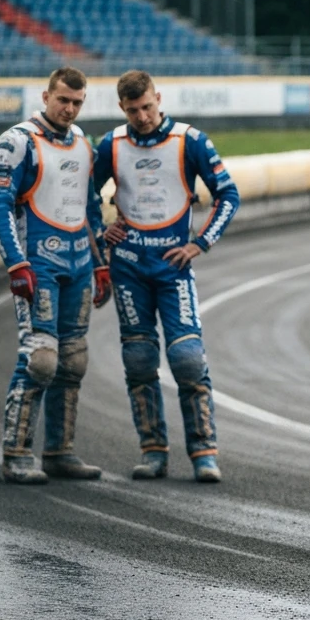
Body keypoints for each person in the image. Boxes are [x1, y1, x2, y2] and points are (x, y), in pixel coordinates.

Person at [93, 70, 239, 483]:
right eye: (133, 110)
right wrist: (103, 229)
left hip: (174, 267)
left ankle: (204, 451)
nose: (142, 116)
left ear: (159, 98)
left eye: (148, 107)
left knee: (187, 359)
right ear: (123, 108)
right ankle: (153, 450)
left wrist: (201, 243)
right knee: (139, 360)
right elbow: (82, 191)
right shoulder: (111, 145)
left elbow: (229, 193)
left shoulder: (191, 141)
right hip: (128, 268)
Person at [0, 66, 111, 484]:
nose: (70, 109)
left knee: (73, 362)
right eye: (63, 100)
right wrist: (16, 263)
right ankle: (16, 453)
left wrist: (100, 263)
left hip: (78, 266)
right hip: (37, 266)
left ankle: (60, 452)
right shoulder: (17, 140)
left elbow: (91, 209)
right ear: (46, 96)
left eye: (77, 102)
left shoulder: (83, 143)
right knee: (40, 360)